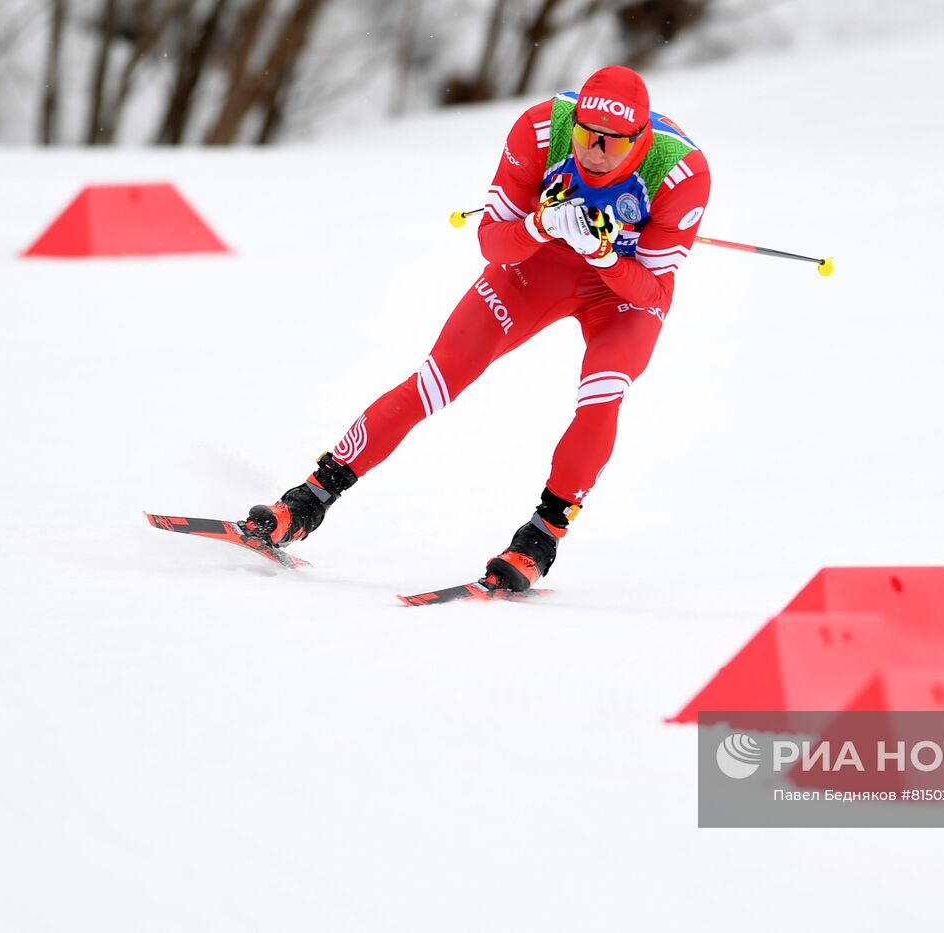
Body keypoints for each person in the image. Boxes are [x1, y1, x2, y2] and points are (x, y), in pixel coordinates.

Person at [239, 65, 711, 594]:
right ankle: (308, 499)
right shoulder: (542, 129)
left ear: (639, 140)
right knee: (437, 379)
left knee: (602, 396)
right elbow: (493, 243)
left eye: (613, 144)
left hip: (619, 293)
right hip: (538, 268)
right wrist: (539, 224)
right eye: (586, 135)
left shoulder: (681, 172)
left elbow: (651, 292)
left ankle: (540, 537)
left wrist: (603, 253)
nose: (595, 152)